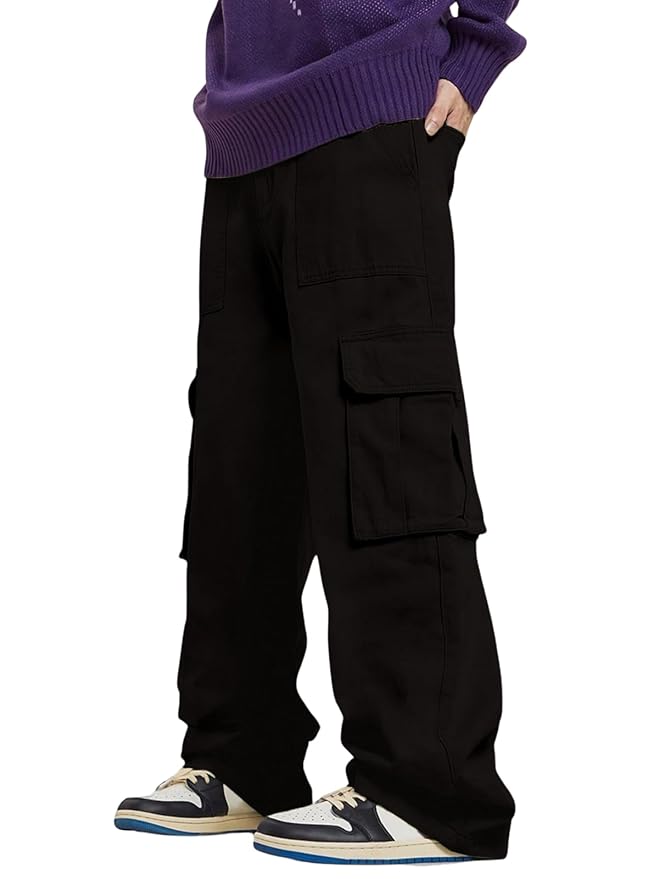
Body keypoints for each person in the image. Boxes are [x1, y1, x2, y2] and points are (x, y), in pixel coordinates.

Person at [115, 1, 526, 865]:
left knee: (385, 442)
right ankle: (243, 755)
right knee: (239, 456)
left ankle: (428, 787)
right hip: (242, 129)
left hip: (374, 106)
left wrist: (477, 48)